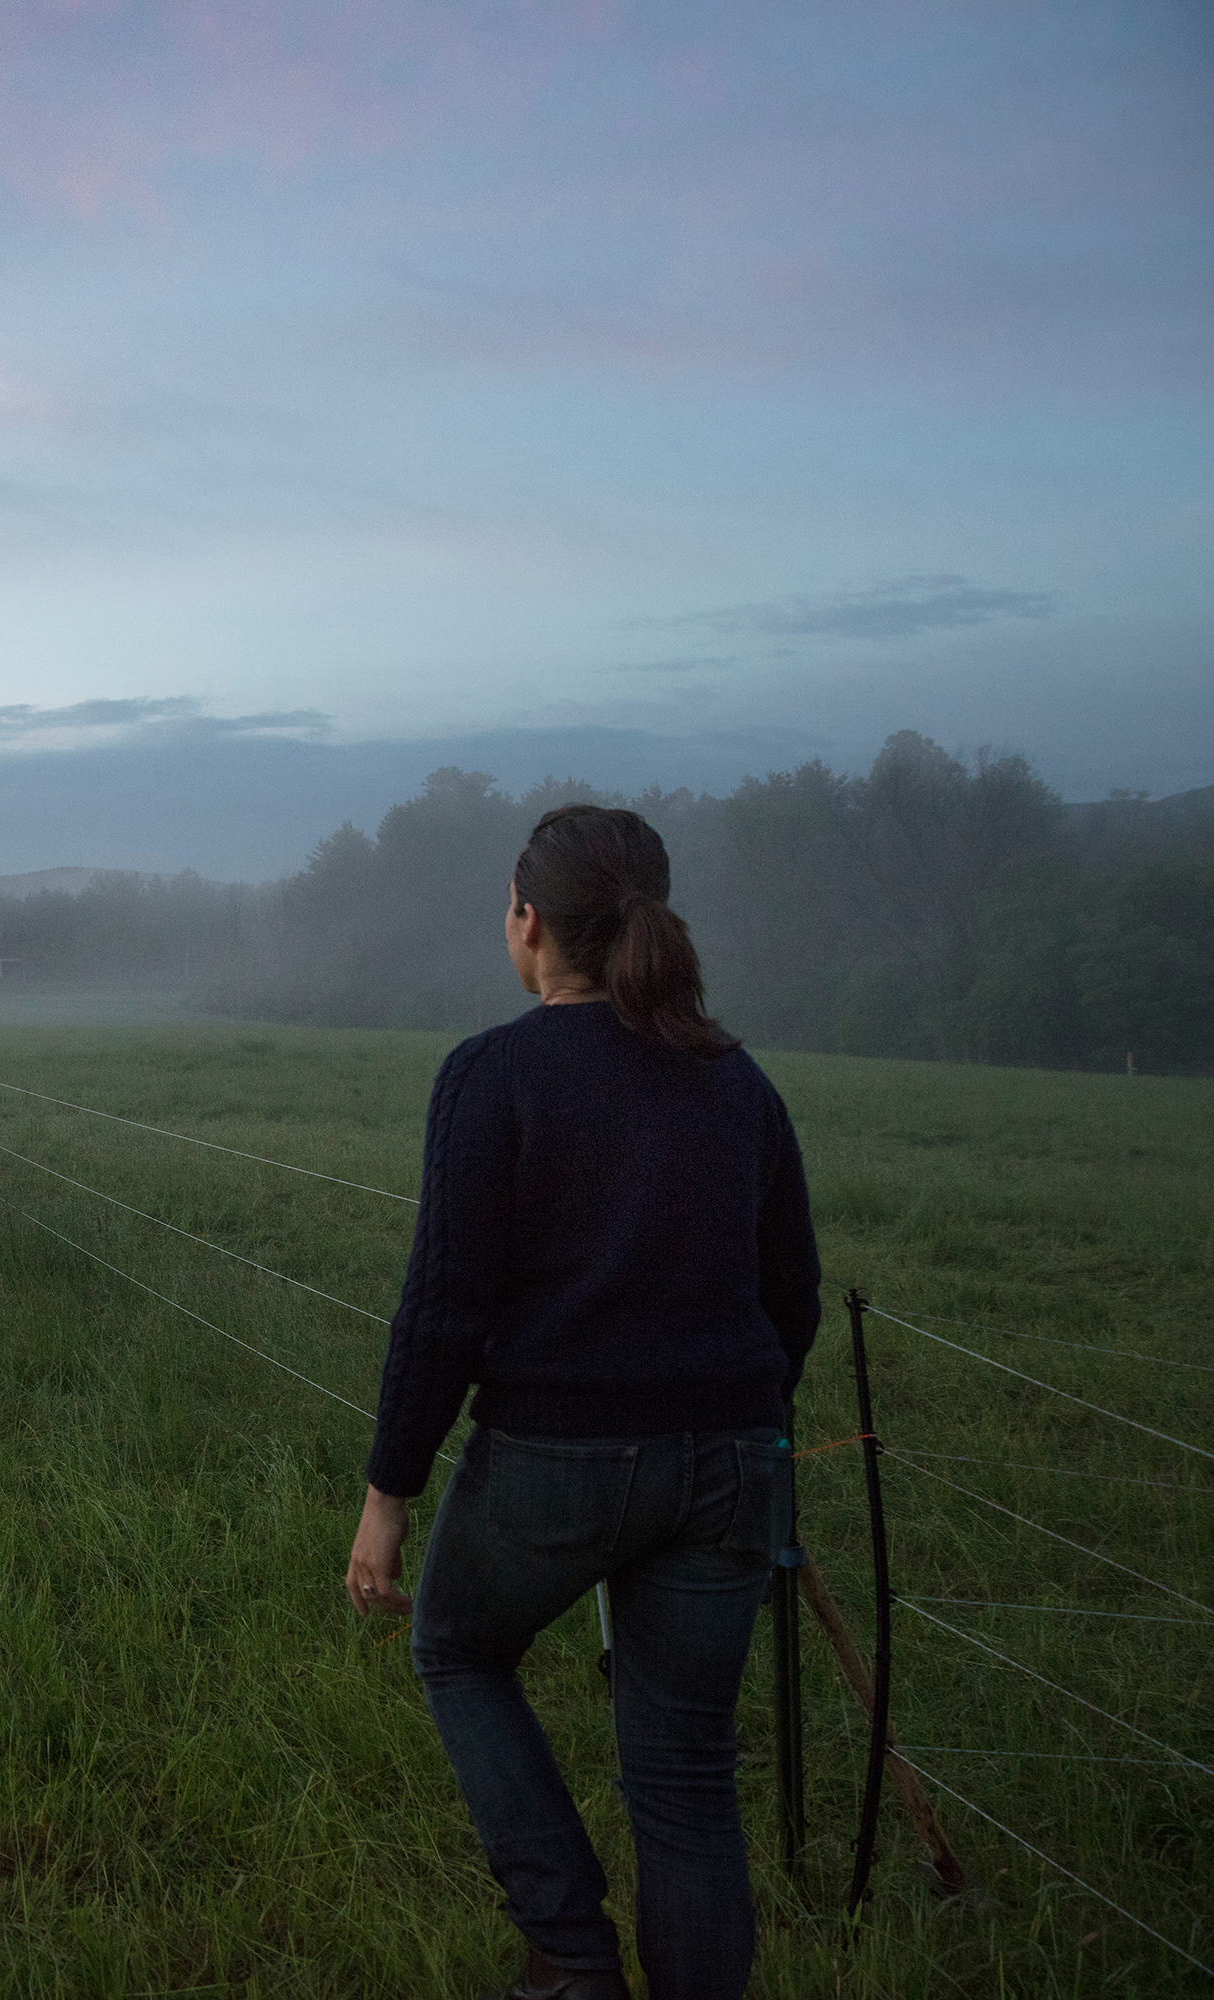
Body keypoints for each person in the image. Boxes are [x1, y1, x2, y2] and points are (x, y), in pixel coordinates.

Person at [345, 804, 820, 2000]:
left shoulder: (493, 1075)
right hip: (728, 1463)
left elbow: (444, 1309)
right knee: (686, 1775)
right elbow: (792, 1297)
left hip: (558, 1457)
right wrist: (742, 1431)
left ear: (530, 923)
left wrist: (388, 1490)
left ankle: (566, 1951)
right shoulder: (738, 1082)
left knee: (455, 1646)